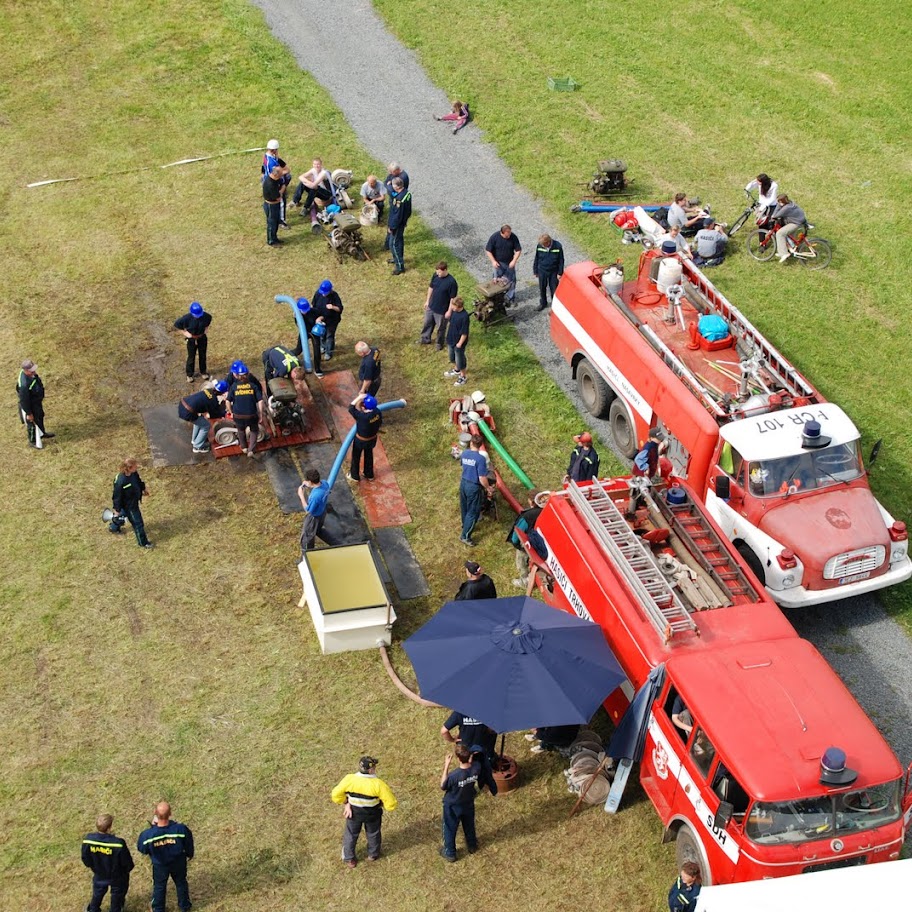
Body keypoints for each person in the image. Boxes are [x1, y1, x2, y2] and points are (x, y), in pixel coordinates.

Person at [331, 755, 398, 869]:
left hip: (353, 813)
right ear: (371, 770)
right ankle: (373, 854)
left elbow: (335, 795)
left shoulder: (349, 779)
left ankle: (349, 858)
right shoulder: (378, 784)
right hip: (372, 814)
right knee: (373, 833)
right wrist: (382, 804)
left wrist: (346, 802)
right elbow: (391, 804)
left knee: (351, 835)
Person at [439, 743, 498, 862]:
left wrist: (446, 766)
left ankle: (450, 852)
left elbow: (443, 786)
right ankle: (472, 845)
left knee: (450, 827)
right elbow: (478, 756)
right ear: (469, 757)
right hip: (468, 802)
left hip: (453, 805)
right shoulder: (476, 768)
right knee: (469, 825)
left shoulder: (454, 775)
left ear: (458, 758)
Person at [136, 801, 194, 912]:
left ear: (155, 813)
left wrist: (153, 829)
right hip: (178, 862)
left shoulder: (148, 835)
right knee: (181, 883)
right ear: (170, 813)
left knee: (159, 886)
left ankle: (158, 909)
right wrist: (189, 854)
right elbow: (188, 842)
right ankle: (184, 906)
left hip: (160, 865)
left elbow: (142, 848)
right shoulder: (180, 829)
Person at [82, 813, 134, 912]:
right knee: (117, 895)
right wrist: (126, 871)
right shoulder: (118, 844)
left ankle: (93, 909)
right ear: (109, 828)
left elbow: (85, 858)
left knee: (98, 893)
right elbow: (127, 862)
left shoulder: (88, 840)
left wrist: (93, 867)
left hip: (99, 873)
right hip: (117, 876)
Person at [508, 489, 548, 589]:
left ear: (531, 501)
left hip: (529, 543)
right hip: (544, 543)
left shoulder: (528, 515)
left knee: (521, 560)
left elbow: (518, 532)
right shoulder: (548, 511)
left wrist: (516, 543)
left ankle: (525, 580)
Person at [110, 458, 153, 549]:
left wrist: (144, 489)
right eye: (135, 467)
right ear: (128, 468)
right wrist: (116, 510)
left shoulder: (134, 474)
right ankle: (143, 543)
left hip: (133, 501)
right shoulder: (120, 481)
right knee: (138, 524)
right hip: (129, 506)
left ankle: (113, 527)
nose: (137, 468)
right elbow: (117, 497)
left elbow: (139, 481)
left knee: (123, 514)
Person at [178, 380, 228, 454]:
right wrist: (225, 413)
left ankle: (195, 440)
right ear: (223, 393)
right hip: (188, 412)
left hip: (183, 405)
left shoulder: (208, 390)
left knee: (199, 421)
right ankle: (197, 446)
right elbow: (214, 414)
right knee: (206, 425)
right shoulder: (213, 400)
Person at [458, 435, 491, 546]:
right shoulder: (480, 459)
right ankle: (465, 536)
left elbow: (462, 464)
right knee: (473, 512)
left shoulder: (465, 453)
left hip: (463, 483)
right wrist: (488, 488)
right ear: (481, 445)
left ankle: (464, 524)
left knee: (464, 506)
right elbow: (482, 478)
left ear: (471, 443)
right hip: (473, 486)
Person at [227, 362, 264, 458]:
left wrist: (231, 412)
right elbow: (260, 401)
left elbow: (227, 401)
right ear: (248, 374)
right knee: (254, 430)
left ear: (237, 376)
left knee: (241, 430)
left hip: (238, 415)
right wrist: (260, 414)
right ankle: (251, 449)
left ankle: (243, 447)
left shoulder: (234, 386)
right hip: (251, 414)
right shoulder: (253, 386)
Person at [418, 261, 458, 349]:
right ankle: (425, 338)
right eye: (437, 271)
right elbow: (431, 287)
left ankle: (439, 343)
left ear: (445, 270)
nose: (437, 273)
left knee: (441, 328)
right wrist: (427, 301)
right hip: (431, 306)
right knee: (427, 323)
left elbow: (453, 299)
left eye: (439, 272)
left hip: (442, 310)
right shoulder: (435, 276)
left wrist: (449, 311)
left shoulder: (452, 282)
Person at [17, 359, 53, 448]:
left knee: (40, 416)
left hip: (36, 402)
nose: (34, 371)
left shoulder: (30, 375)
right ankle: (32, 441)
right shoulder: (25, 385)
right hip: (30, 405)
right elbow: (24, 400)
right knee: (32, 423)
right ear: (26, 370)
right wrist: (29, 413)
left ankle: (42, 433)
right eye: (31, 370)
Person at [346, 394, 382, 483]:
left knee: (356, 456)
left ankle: (354, 475)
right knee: (369, 455)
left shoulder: (362, 417)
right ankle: (369, 474)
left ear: (364, 406)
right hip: (372, 439)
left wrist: (359, 397)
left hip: (360, 440)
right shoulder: (377, 412)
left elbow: (351, 408)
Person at [173, 301, 212, 382]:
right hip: (191, 340)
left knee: (203, 355)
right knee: (191, 357)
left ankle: (203, 372)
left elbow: (208, 322)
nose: (198, 317)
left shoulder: (206, 316)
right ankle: (189, 374)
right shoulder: (186, 318)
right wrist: (185, 333)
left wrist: (205, 329)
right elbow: (177, 325)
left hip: (202, 338)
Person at [292, 157, 333, 232]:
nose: (316, 166)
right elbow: (300, 177)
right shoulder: (313, 170)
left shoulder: (323, 173)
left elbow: (314, 185)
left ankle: (306, 208)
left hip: (327, 194)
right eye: (315, 164)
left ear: (321, 165)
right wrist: (307, 182)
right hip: (317, 188)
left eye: (318, 164)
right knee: (303, 184)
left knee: (314, 189)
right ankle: (295, 201)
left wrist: (308, 183)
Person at [485, 225, 522, 303]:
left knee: (511, 281)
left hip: (510, 263)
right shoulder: (494, 237)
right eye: (507, 234)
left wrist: (514, 261)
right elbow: (488, 250)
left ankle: (510, 298)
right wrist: (493, 261)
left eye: (510, 233)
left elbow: (518, 250)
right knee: (497, 281)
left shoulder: (513, 237)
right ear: (502, 233)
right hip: (498, 264)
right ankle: (498, 299)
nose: (509, 236)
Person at [298, 468, 332, 553]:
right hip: (322, 512)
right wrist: (308, 484)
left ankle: (307, 554)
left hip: (314, 518)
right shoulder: (325, 483)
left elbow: (308, 511)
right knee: (318, 530)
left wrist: (301, 495)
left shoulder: (315, 497)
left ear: (310, 482)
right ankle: (336, 543)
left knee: (307, 538)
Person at [290, 299, 325, 378]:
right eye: (303, 310)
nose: (305, 312)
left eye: (307, 309)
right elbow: (299, 325)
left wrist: (319, 318)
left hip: (314, 332)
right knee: (298, 349)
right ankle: (288, 356)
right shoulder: (297, 316)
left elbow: (322, 315)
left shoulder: (313, 311)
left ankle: (318, 369)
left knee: (317, 351)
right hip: (304, 333)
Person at [262, 139, 291, 228]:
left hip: (268, 180)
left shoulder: (267, 157)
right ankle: (281, 221)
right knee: (281, 201)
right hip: (275, 183)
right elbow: (278, 173)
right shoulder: (272, 163)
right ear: (274, 150)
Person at [312, 279, 344, 361]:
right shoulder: (318, 294)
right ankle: (323, 347)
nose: (323, 294)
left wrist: (333, 307)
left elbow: (340, 308)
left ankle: (329, 352)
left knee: (329, 336)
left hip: (332, 321)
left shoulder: (334, 296)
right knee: (322, 335)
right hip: (321, 319)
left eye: (325, 292)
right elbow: (314, 305)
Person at [532, 233, 565, 311]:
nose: (542, 246)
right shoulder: (539, 246)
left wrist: (560, 273)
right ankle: (543, 303)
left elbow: (561, 260)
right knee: (542, 287)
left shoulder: (558, 246)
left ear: (548, 242)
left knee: (554, 289)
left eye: (543, 244)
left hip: (553, 271)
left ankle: (554, 306)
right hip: (542, 270)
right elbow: (536, 258)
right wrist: (535, 270)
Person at [770, 193, 807, 263]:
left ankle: (784, 254)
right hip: (800, 220)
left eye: (779, 202)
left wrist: (772, 216)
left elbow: (776, 215)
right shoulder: (790, 203)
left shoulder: (786, 208)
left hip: (795, 223)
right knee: (789, 235)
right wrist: (778, 205)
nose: (778, 203)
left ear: (782, 202)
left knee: (780, 233)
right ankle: (789, 249)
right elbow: (777, 209)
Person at [443, 297, 470, 387]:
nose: (452, 307)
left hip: (459, 342)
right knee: (452, 357)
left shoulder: (464, 316)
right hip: (451, 338)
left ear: (458, 306)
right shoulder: (454, 312)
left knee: (460, 359)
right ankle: (456, 370)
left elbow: (464, 333)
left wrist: (460, 343)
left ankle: (463, 376)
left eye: (453, 306)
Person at [387, 177, 412, 275]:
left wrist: (391, 227)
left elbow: (396, 215)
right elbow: (408, 211)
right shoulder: (407, 193)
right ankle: (398, 258)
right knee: (399, 241)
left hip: (396, 225)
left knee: (393, 244)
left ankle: (399, 266)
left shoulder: (399, 199)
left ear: (396, 186)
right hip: (402, 222)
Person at [262, 164, 284, 247]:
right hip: (271, 206)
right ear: (276, 174)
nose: (282, 175)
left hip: (275, 205)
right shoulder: (270, 184)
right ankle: (271, 241)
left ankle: (275, 238)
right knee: (272, 224)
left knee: (276, 222)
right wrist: (282, 190)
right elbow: (278, 197)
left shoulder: (274, 179)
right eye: (281, 174)